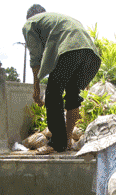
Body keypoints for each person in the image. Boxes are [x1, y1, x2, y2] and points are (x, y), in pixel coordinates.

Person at [23, 4, 102, 154]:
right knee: (72, 96)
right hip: (91, 55)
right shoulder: (56, 19)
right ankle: (67, 141)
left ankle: (56, 144)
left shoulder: (30, 23)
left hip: (70, 51)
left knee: (53, 94)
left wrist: (36, 89)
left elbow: (35, 58)